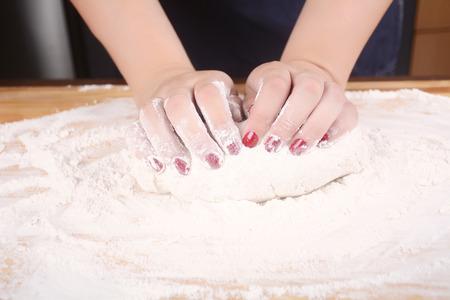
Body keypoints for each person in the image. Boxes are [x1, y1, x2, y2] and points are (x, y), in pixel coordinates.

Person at [71, 0, 399, 175]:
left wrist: (320, 64)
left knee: (313, 106)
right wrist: (158, 71)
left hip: (340, 16)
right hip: (147, 15)